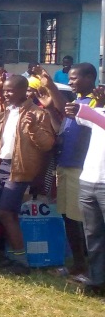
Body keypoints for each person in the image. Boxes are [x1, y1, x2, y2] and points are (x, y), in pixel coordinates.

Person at [0, 72, 58, 274]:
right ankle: (12, 256)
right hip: (1, 167)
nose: (5, 94)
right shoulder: (5, 112)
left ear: (24, 91)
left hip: (20, 169)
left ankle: (21, 260)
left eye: (10, 91)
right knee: (8, 215)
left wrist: (33, 128)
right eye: (5, 90)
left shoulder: (38, 114)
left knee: (5, 213)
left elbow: (47, 144)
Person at [55, 63, 96, 278]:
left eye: (74, 78)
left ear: (89, 78)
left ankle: (90, 267)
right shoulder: (76, 102)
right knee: (68, 217)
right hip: (65, 166)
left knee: (81, 220)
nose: (70, 82)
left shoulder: (95, 103)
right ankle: (78, 263)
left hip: (80, 169)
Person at [64, 83, 105, 295]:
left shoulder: (98, 113)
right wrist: (96, 105)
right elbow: (78, 117)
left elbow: (94, 118)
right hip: (89, 180)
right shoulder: (100, 110)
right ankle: (97, 281)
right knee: (93, 234)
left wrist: (91, 109)